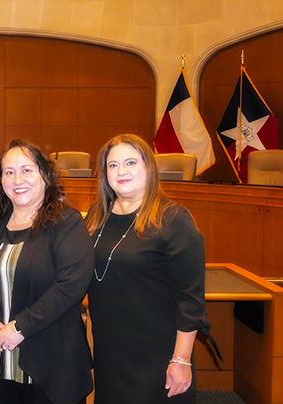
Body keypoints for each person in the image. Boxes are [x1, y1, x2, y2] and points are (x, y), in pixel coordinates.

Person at [0, 139, 94, 404]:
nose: (17, 179)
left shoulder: (66, 221)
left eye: (27, 170)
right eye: (9, 172)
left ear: (45, 175)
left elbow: (71, 285)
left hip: (52, 360)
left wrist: (21, 328)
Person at [85, 134, 211, 403]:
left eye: (130, 162)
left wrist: (181, 359)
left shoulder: (173, 219)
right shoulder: (97, 215)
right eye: (113, 165)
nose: (121, 171)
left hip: (158, 354)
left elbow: (190, 299)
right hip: (111, 351)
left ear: (148, 168)